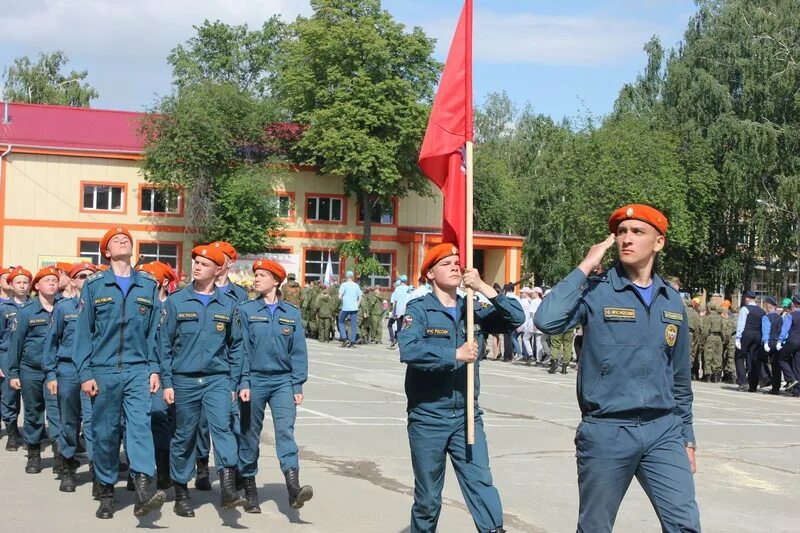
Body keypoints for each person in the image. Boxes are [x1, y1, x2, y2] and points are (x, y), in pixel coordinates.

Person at [535, 204, 700, 532]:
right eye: (621, 232)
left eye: (637, 232)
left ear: (658, 242)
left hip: (663, 430)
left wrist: (687, 437)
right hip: (608, 429)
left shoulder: (671, 300)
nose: (626, 239)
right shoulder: (597, 292)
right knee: (595, 527)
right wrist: (585, 265)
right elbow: (546, 320)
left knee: (685, 524)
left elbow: (679, 376)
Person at [399, 243, 524, 533]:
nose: (456, 266)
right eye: (446, 263)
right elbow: (409, 349)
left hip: (467, 415)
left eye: (457, 262)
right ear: (429, 273)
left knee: (481, 485)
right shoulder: (419, 310)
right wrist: (454, 354)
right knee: (428, 499)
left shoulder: (473, 308)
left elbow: (515, 319)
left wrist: (482, 286)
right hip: (428, 417)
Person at [74, 227, 165, 519]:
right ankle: (107, 491)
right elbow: (84, 333)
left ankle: (142, 490)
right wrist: (86, 373)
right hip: (103, 370)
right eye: (115, 240)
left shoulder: (148, 284)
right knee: (105, 433)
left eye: (126, 238)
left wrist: (153, 368)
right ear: (107, 252)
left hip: (138, 370)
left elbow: (154, 333)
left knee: (140, 428)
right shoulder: (95, 285)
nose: (122, 240)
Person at [159, 245, 246, 517]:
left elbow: (237, 346)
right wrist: (167, 382)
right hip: (183, 380)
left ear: (217, 270)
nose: (197, 267)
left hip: (217, 379)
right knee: (184, 435)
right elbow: (164, 345)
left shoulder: (229, 304)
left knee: (223, 429)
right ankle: (182, 493)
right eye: (195, 262)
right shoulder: (175, 301)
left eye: (204, 264)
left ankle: (229, 487)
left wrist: (233, 383)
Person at [236, 259, 313, 513]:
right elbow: (242, 351)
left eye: (262, 275)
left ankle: (293, 488)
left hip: (282, 381)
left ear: (276, 281)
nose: (256, 279)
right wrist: (244, 381)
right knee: (249, 434)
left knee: (285, 431)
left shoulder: (291, 313)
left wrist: (297, 385)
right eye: (255, 275)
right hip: (254, 380)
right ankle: (249, 490)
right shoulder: (246, 310)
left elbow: (299, 351)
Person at [43, 262, 97, 492]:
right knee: (69, 422)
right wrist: (51, 374)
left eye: (91, 275)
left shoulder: (103, 306)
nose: (87, 279)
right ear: (73, 281)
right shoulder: (64, 308)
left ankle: (97, 471)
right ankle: (67, 467)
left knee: (94, 422)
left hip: (94, 371)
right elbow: (51, 343)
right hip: (68, 371)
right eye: (82, 276)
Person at [7, 267, 63, 476]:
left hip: (56, 372)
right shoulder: (27, 312)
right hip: (31, 370)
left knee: (57, 413)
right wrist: (13, 373)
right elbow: (16, 344)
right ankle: (34, 455)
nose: (51, 283)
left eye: (54, 280)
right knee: (33, 412)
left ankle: (60, 456)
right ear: (37, 286)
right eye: (47, 280)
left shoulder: (64, 308)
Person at [137, 261, 177, 490]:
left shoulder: (172, 305)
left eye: (150, 279)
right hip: (137, 368)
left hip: (164, 372)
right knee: (135, 422)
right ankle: (139, 471)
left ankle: (163, 471)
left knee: (162, 419)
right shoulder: (138, 304)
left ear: (162, 282)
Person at [0, 267, 30, 451]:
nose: (22, 285)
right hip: (6, 356)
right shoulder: (4, 308)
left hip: (28, 358)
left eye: (25, 282)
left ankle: (31, 432)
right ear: (11, 285)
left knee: (31, 397)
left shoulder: (35, 306)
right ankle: (12, 432)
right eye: (18, 282)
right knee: (9, 396)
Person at [735, 290, 767, 392]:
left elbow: (741, 324)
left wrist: (737, 338)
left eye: (745, 298)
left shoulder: (745, 309)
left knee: (739, 357)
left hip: (747, 334)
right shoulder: (762, 311)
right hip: (758, 335)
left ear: (747, 298)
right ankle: (753, 385)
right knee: (753, 359)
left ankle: (743, 382)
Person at [775, 295, 800, 395]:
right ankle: (797, 390)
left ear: (793, 304)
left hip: (792, 341)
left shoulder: (791, 315)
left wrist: (779, 341)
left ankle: (791, 379)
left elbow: (784, 329)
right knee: (797, 365)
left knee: (781, 359)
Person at [701, 301, 725, 383]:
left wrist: (702, 340)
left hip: (710, 337)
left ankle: (708, 376)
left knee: (708, 356)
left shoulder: (708, 317)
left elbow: (705, 331)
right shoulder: (720, 317)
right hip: (719, 338)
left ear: (708, 308)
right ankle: (716, 376)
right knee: (718, 357)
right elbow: (723, 330)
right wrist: (723, 339)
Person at [337, 271, 362, 348]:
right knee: (354, 325)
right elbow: (360, 297)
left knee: (340, 321)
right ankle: (352, 343)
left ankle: (345, 338)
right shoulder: (356, 285)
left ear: (346, 276)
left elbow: (339, 297)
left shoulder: (343, 285)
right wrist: (357, 305)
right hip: (354, 307)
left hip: (346, 307)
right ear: (352, 276)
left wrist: (343, 299)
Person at [390, 276, 411, 348]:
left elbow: (395, 301)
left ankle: (399, 344)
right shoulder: (408, 288)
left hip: (399, 311)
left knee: (399, 327)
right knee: (406, 327)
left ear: (401, 281)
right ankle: (405, 343)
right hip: (407, 310)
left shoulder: (397, 289)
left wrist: (394, 311)